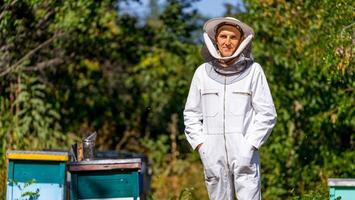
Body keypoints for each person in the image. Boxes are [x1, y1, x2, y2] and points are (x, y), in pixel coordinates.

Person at [183, 17, 277, 200]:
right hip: (212, 154)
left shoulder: (254, 71)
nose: (227, 42)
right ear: (215, 39)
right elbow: (191, 114)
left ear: (241, 41)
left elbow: (267, 114)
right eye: (223, 36)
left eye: (233, 37)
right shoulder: (202, 73)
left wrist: (250, 145)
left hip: (244, 153)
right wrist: (203, 146)